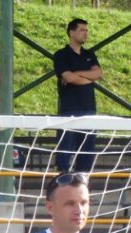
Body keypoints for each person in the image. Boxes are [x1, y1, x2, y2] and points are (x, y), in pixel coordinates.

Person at [52, 19, 102, 172]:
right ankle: (62, 182)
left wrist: (77, 74)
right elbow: (68, 78)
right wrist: (88, 78)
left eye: (86, 30)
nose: (85, 33)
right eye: (82, 30)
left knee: (87, 153)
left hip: (89, 109)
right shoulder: (61, 55)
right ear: (71, 33)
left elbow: (99, 73)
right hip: (69, 110)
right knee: (65, 152)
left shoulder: (89, 54)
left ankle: (83, 184)